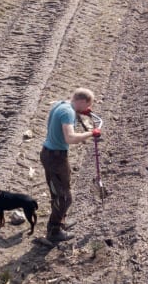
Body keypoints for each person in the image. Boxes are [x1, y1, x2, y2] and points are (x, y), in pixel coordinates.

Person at [39, 87, 101, 244]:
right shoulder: (68, 113)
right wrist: (91, 133)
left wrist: (82, 113)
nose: (88, 109)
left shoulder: (61, 104)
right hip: (56, 158)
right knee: (65, 198)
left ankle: (60, 222)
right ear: (81, 101)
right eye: (87, 106)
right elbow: (70, 138)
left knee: (59, 192)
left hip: (49, 153)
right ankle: (54, 232)